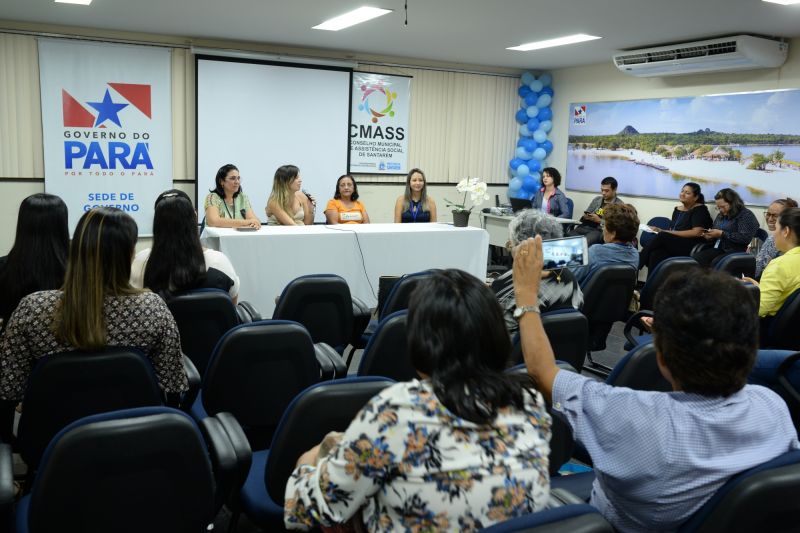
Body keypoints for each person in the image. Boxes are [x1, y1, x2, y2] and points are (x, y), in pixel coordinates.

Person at [512, 236, 798, 533]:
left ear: (660, 356)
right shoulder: (772, 406)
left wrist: (526, 296)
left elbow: (542, 369)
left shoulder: (629, 414)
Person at [284, 269, 551, 532]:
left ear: (420, 342)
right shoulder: (530, 403)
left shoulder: (397, 411)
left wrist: (308, 461)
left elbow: (304, 509)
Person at [0, 207, 189, 407]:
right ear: (129, 254)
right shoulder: (153, 309)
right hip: (133, 431)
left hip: (53, 433)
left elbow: (8, 390)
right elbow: (172, 386)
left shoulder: (33, 309)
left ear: (76, 248)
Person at [131, 190, 240, 302]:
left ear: (157, 223)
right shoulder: (219, 262)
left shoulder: (141, 262)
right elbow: (232, 307)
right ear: (194, 217)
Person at [492, 209, 583, 334]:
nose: (509, 245)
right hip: (564, 350)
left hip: (518, 350)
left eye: (511, 242)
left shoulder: (508, 284)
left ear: (522, 245)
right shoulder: (570, 279)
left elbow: (494, 329)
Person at [0, 193, 69, 325]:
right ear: (62, 224)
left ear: (22, 223)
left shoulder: (3, 267)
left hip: (17, 343)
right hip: (71, 342)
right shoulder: (80, 269)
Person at [638, 182, 713, 272]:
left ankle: (638, 261)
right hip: (676, 243)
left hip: (692, 245)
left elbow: (698, 232)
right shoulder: (677, 209)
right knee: (656, 254)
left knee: (663, 235)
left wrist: (665, 232)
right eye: (682, 191)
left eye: (687, 193)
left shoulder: (700, 210)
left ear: (696, 197)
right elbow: (672, 229)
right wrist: (662, 231)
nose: (683, 194)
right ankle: (652, 285)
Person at [743, 207, 800, 321]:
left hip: (768, 326)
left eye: (776, 228)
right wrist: (758, 286)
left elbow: (760, 310)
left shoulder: (779, 265)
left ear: (785, 231)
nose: (773, 234)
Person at [573, 203, 640, 287]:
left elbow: (571, 278)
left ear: (613, 234)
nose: (603, 229)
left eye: (604, 225)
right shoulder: (635, 255)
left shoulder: (595, 252)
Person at [694, 188, 759, 267]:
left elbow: (745, 238)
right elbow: (716, 232)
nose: (720, 210)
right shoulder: (721, 215)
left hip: (738, 251)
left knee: (716, 263)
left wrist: (722, 234)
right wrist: (710, 235)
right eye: (718, 207)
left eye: (722, 207)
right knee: (696, 259)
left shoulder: (745, 215)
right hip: (720, 248)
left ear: (733, 203)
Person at [567, 176, 623, 246]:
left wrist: (599, 220)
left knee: (584, 243)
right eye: (602, 190)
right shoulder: (597, 199)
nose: (603, 193)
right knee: (568, 237)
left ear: (614, 189)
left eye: (606, 190)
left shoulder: (619, 205)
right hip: (585, 226)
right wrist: (586, 216)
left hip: (599, 230)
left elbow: (616, 225)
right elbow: (587, 212)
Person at [203, 163, 261, 229]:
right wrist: (245, 222)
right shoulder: (212, 197)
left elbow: (254, 219)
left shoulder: (243, 197)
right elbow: (213, 221)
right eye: (233, 178)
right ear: (221, 181)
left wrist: (255, 223)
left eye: (238, 178)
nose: (237, 182)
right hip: (217, 237)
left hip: (236, 237)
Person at [755, 197, 798, 278]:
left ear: (787, 217)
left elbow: (758, 271)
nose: (770, 219)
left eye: (775, 215)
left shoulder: (773, 240)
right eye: (768, 214)